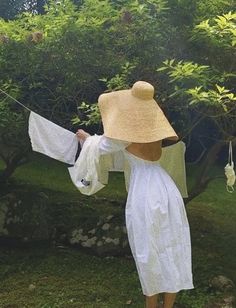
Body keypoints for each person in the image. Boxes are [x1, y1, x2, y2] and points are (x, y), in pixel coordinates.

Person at [76, 81, 194, 308]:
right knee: (171, 247)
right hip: (166, 188)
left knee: (149, 249)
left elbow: (99, 147)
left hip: (146, 192)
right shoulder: (155, 132)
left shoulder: (127, 134)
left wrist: (85, 139)